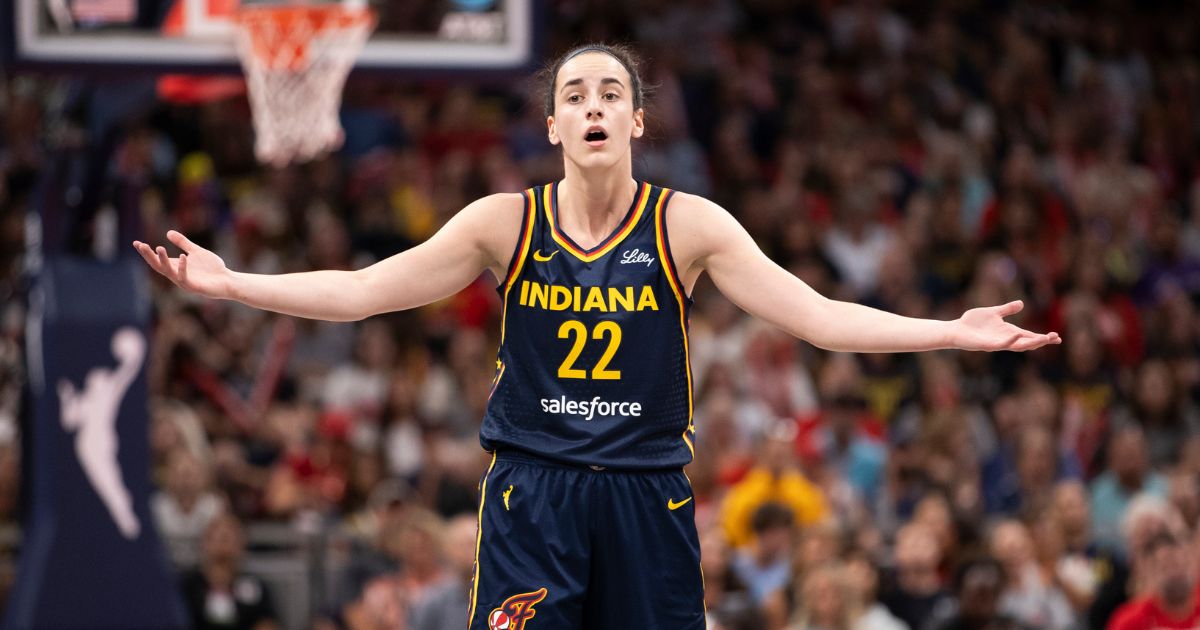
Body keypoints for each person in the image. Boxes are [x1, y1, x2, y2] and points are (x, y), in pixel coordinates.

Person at [135, 43, 1061, 630]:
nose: (592, 104)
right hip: (532, 497)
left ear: (636, 121)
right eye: (574, 91)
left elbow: (817, 318)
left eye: (610, 91)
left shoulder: (689, 225)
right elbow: (366, 291)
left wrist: (947, 331)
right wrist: (232, 285)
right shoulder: (503, 222)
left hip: (646, 496)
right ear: (552, 125)